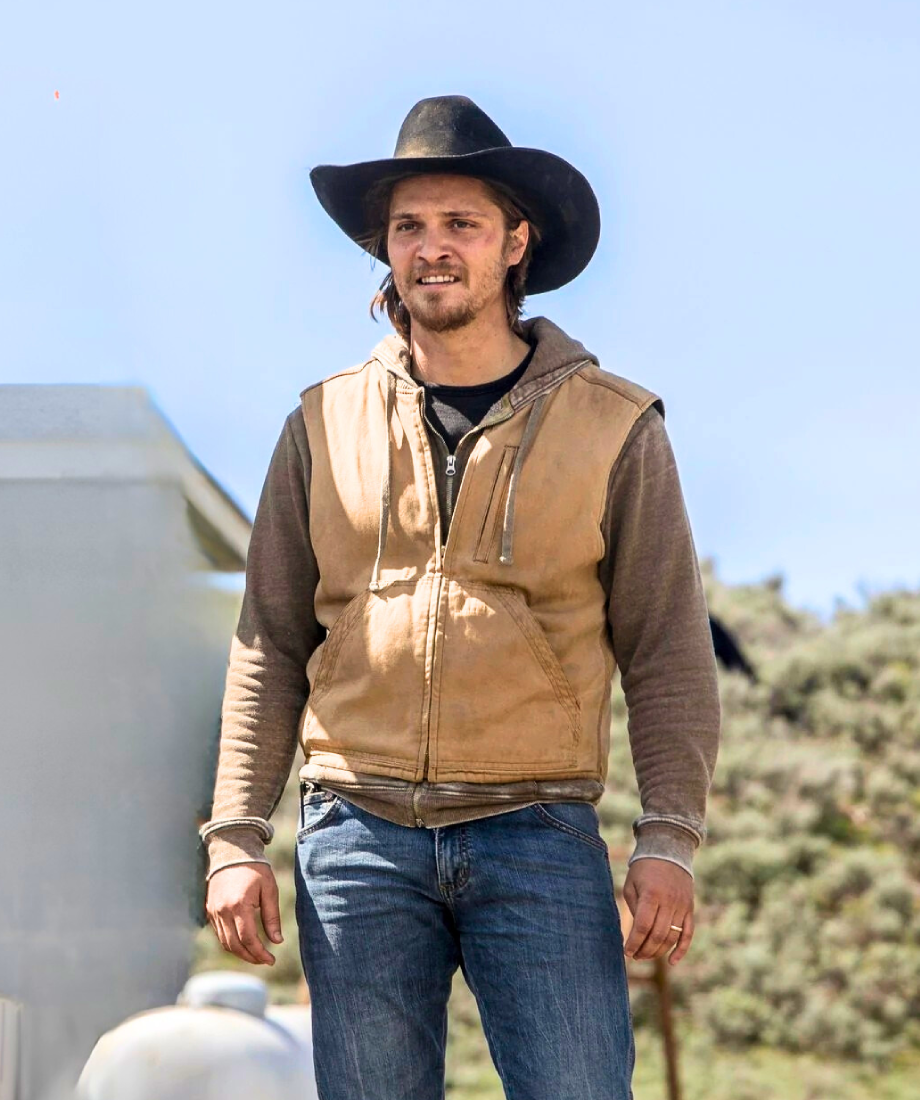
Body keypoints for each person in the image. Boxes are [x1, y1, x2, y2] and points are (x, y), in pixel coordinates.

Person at [200, 94, 721, 1100]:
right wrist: (234, 835)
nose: (430, 248)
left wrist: (668, 837)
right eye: (407, 226)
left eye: (459, 224)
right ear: (385, 250)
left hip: (538, 828)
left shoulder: (615, 426)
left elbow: (663, 648)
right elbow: (267, 639)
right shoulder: (319, 423)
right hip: (352, 832)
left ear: (514, 243)